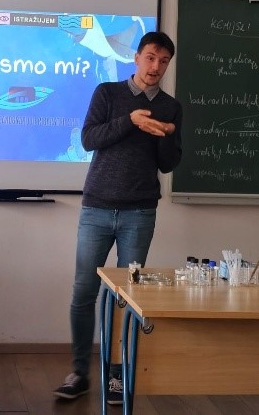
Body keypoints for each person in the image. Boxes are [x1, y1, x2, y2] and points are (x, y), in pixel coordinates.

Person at [53, 31, 182, 404]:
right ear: (136, 57)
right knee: (84, 292)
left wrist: (165, 134)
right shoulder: (107, 93)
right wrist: (132, 121)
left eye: (163, 61)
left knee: (129, 297)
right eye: (150, 57)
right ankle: (79, 372)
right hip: (96, 208)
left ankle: (117, 374)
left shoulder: (171, 107)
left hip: (139, 213)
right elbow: (89, 139)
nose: (155, 67)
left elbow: (168, 164)